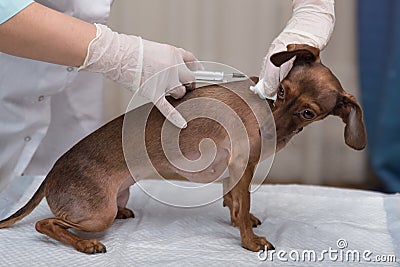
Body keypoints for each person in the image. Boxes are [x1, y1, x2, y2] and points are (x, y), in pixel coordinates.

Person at [0, 0, 335, 194]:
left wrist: (313, 10)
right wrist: (114, 52)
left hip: (73, 65)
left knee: (77, 179)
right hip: (11, 63)